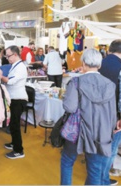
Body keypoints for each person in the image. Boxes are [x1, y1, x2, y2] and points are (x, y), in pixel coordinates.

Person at [61, 49, 116, 185]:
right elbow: (112, 112)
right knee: (95, 170)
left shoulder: (76, 82)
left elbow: (70, 107)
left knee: (67, 161)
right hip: (100, 133)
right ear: (100, 65)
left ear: (84, 63)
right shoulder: (110, 84)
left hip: (78, 132)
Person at [99, 39, 121, 185]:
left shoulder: (101, 63)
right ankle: (103, 178)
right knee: (112, 147)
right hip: (115, 114)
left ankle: (97, 174)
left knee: (101, 144)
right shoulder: (119, 66)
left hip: (99, 111)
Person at [1, 45, 28, 159]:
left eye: (9, 56)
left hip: (18, 99)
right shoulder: (14, 66)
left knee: (15, 125)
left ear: (16, 54)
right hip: (13, 98)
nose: (7, 58)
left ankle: (18, 150)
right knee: (12, 124)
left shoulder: (20, 67)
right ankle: (14, 143)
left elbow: (11, 82)